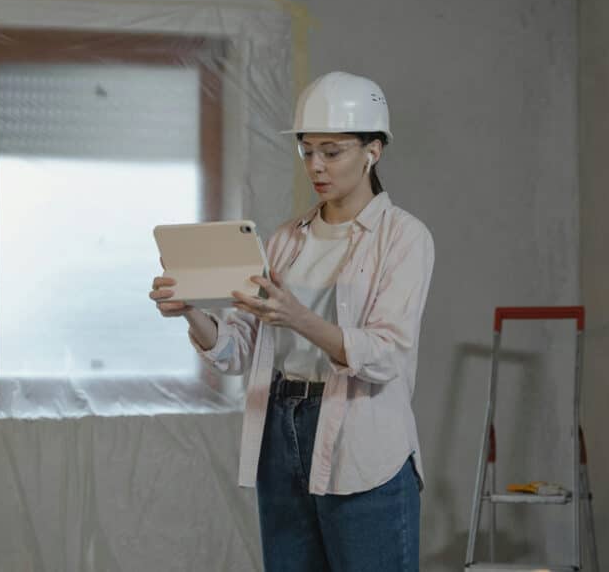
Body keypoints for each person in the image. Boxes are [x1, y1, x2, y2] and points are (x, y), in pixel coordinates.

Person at [149, 71, 435, 571]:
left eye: (332, 151)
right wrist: (191, 310)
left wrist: (300, 319)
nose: (316, 167)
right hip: (280, 435)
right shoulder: (284, 240)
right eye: (306, 151)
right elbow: (238, 350)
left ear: (374, 151)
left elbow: (386, 353)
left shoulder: (404, 238)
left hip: (363, 440)